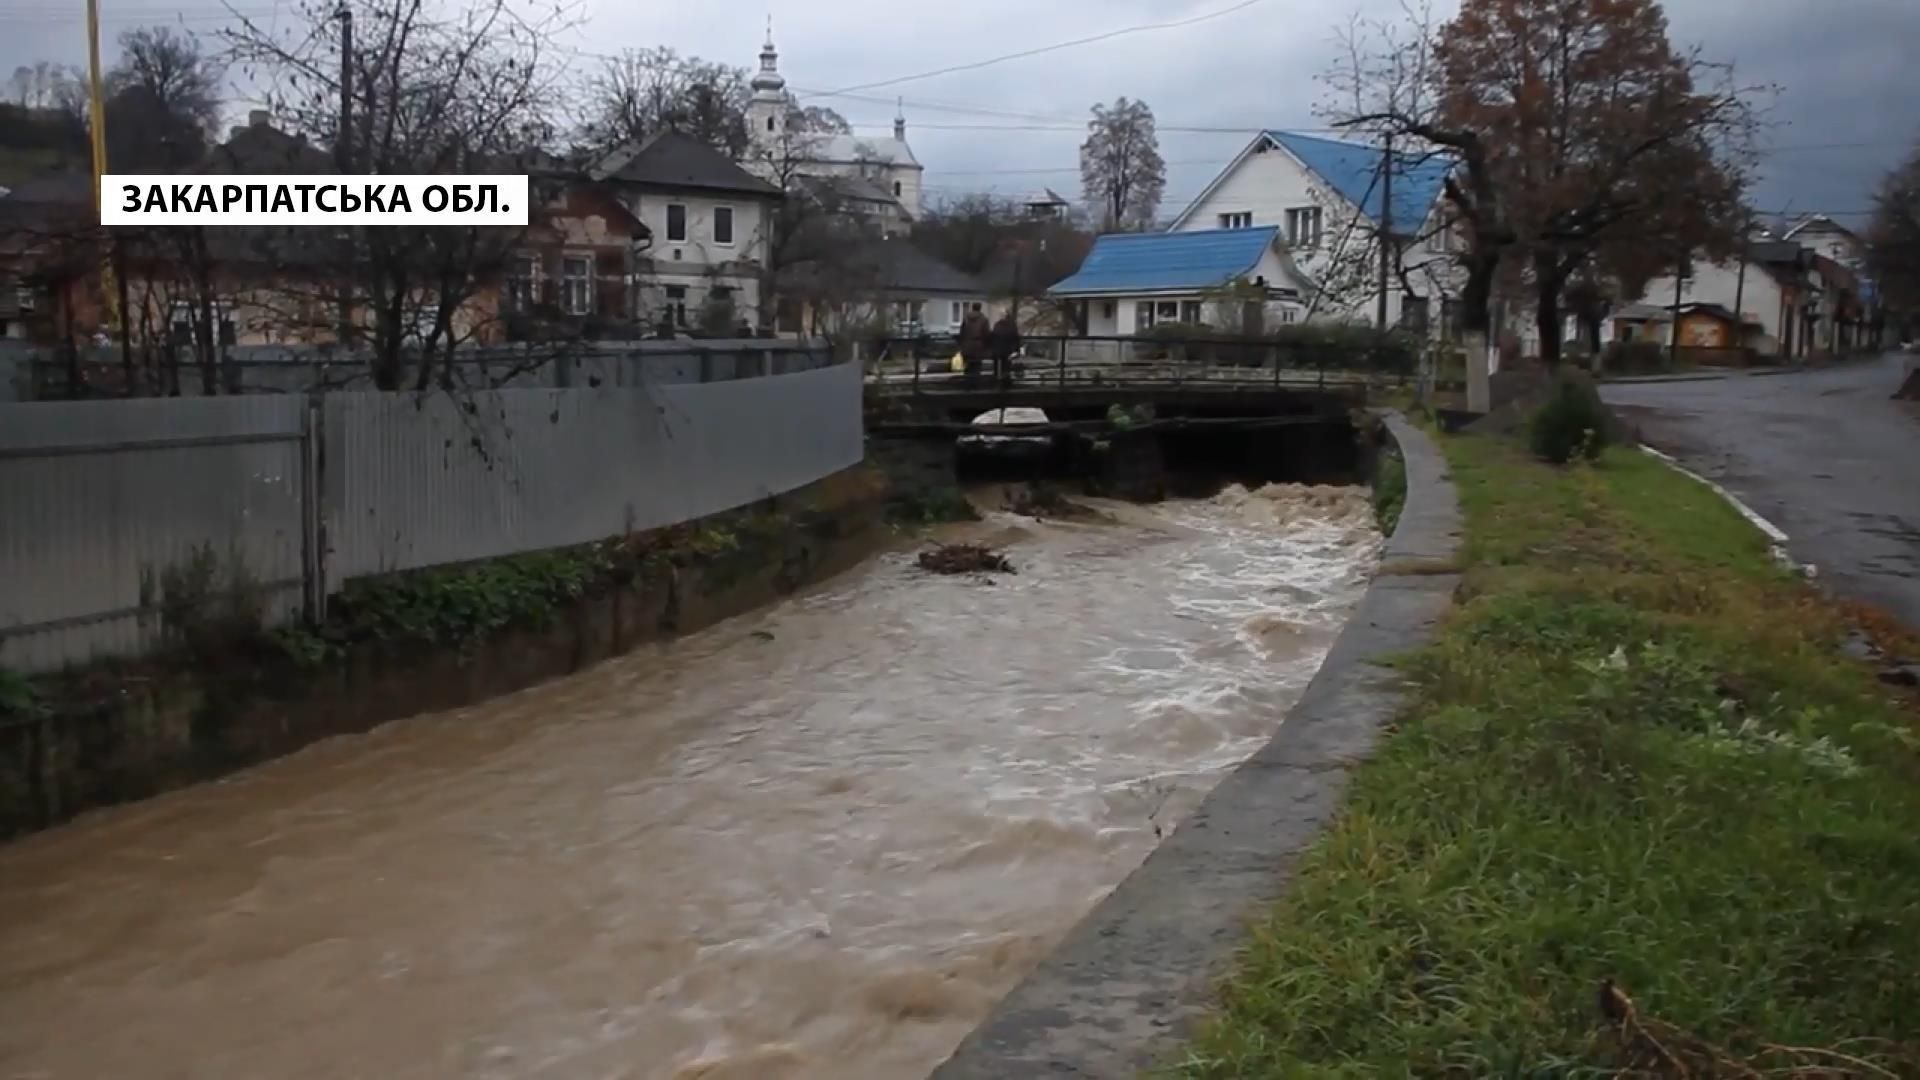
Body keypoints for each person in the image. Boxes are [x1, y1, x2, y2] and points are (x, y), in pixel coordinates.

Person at [957, 303, 991, 383]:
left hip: (967, 345)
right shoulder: (984, 319)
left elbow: (961, 333)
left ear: (972, 308)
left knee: (967, 366)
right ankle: (975, 384)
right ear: (980, 308)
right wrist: (987, 346)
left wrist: (962, 344)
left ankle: (967, 383)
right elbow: (986, 334)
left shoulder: (966, 318)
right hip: (978, 346)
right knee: (976, 366)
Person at [989, 311, 1022, 388]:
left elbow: (993, 336)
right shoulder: (1012, 325)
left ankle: (997, 383)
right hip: (1007, 350)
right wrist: (1016, 350)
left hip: (998, 350)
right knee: (1006, 368)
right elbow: (1015, 338)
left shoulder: (997, 325)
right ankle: (1005, 383)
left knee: (998, 368)